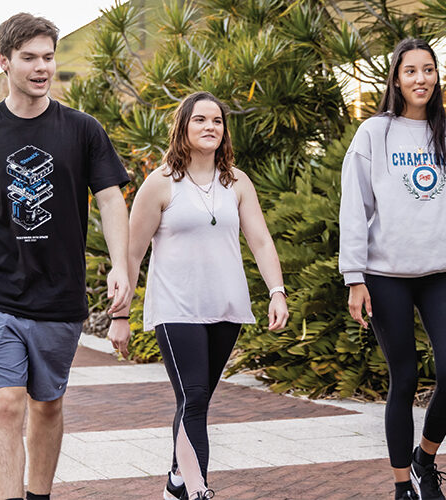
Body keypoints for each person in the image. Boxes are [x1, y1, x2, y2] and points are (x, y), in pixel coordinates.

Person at [0, 13, 132, 500]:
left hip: (59, 293)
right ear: (5, 61)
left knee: (47, 406)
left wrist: (121, 264)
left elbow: (109, 198)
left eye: (47, 57)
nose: (42, 68)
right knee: (5, 406)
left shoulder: (82, 130)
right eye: (29, 58)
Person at [107, 91, 289, 500]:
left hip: (225, 306)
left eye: (217, 121)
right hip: (177, 307)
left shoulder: (237, 181)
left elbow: (260, 241)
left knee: (198, 399)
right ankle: (196, 488)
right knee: (193, 396)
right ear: (183, 128)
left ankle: (176, 479)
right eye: (200, 120)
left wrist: (276, 291)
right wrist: (120, 316)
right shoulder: (160, 184)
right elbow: (131, 256)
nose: (210, 127)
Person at [339, 38, 446, 500]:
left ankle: (424, 461)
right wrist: (354, 277)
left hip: (440, 273)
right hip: (385, 277)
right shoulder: (374, 133)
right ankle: (403, 488)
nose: (421, 79)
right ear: (396, 79)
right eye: (411, 71)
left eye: (428, 70)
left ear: (437, 77)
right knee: (403, 378)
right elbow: (354, 208)